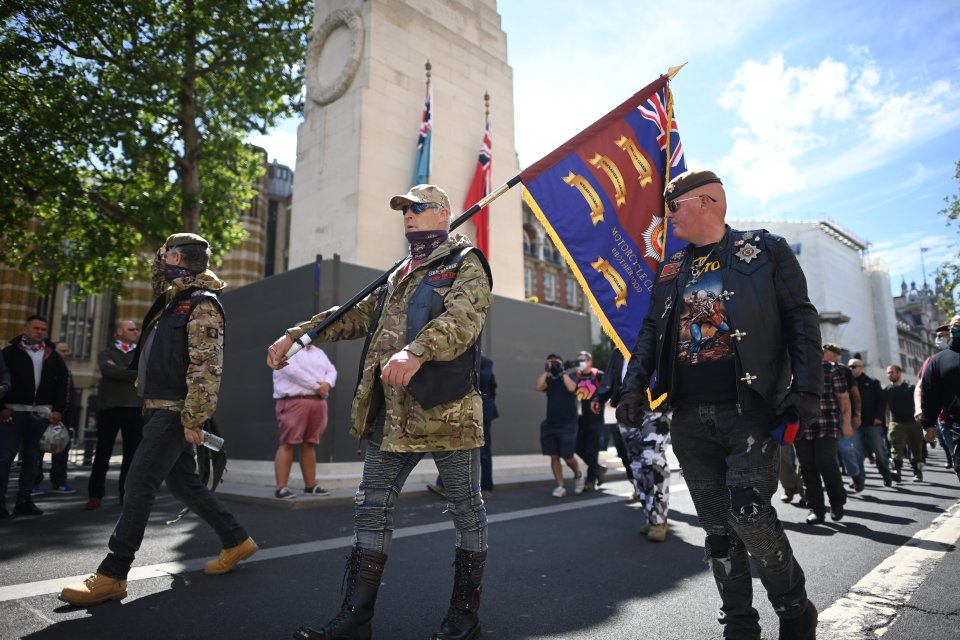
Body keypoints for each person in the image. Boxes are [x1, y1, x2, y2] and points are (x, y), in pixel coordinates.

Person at [267, 184, 492, 640]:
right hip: (391, 415)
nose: (408, 215)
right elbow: (351, 315)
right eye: (404, 210)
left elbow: (463, 321)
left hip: (445, 412)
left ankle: (463, 616)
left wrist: (415, 352)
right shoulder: (398, 272)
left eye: (418, 208)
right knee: (371, 508)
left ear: (443, 214)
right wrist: (297, 336)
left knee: (467, 509)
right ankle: (356, 619)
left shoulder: (464, 263)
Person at [615, 169, 822, 639]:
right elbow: (650, 332)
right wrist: (632, 387)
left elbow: (800, 319)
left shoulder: (764, 250)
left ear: (706, 202)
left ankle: (794, 609)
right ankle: (739, 623)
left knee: (748, 510)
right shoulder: (670, 269)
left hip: (749, 408)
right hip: (687, 413)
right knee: (717, 529)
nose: (668, 219)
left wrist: (806, 391)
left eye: (674, 207)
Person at [60, 233, 257, 606]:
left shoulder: (201, 304)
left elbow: (206, 366)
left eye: (165, 254)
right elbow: (159, 279)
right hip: (159, 406)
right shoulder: (174, 299)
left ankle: (114, 573)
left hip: (173, 410)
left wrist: (194, 417)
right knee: (184, 484)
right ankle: (236, 539)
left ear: (180, 259)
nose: (160, 259)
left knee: (138, 483)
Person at [0, 316, 69, 518]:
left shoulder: (52, 356)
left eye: (43, 329)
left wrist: (59, 410)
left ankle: (24, 500)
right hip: (12, 413)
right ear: (25, 329)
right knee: (4, 458)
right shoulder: (9, 353)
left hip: (41, 414)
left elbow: (64, 385)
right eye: (36, 328)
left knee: (32, 460)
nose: (40, 332)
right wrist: (1, 406)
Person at [87, 320, 144, 510]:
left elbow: (143, 373)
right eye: (131, 329)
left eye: (136, 329)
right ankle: (95, 495)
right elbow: (108, 371)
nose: (136, 332)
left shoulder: (141, 353)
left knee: (132, 455)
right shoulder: (106, 353)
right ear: (119, 332)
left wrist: (120, 371)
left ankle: (126, 495)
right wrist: (132, 373)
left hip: (135, 409)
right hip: (110, 408)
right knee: (103, 452)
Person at [272, 343, 337, 499]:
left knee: (310, 443)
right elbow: (292, 371)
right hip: (293, 401)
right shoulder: (286, 349)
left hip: (318, 402)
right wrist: (316, 386)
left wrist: (327, 384)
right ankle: (281, 488)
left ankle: (311, 486)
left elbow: (331, 370)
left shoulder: (319, 351)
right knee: (287, 443)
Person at [795, 349, 851, 524]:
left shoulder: (831, 369)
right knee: (807, 468)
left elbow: (843, 398)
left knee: (825, 462)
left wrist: (847, 422)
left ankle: (837, 501)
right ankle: (816, 510)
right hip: (801, 426)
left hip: (827, 423)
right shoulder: (791, 370)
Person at [33, 341, 78, 496]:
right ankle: (33, 483)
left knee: (61, 450)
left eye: (66, 351)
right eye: (62, 350)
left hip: (64, 416)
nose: (65, 354)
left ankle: (59, 482)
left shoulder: (67, 370)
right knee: (38, 449)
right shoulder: (46, 368)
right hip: (46, 413)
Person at [919, 314, 960, 483]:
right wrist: (927, 424)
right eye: (955, 325)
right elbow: (930, 393)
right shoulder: (938, 361)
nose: (956, 327)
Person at [536, 353, 583, 497]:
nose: (553, 365)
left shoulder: (570, 376)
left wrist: (562, 371)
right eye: (550, 363)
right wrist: (547, 370)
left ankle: (578, 474)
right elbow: (539, 387)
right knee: (554, 456)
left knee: (568, 457)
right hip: (551, 424)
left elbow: (571, 388)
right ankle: (560, 486)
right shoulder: (549, 379)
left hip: (568, 423)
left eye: (555, 363)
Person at [823, 343, 865, 491]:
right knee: (829, 453)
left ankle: (856, 476)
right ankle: (836, 483)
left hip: (841, 415)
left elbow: (855, 394)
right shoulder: (816, 367)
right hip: (824, 418)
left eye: (828, 351)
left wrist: (857, 415)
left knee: (845, 448)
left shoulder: (843, 370)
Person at [915, 323, 954, 469]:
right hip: (947, 421)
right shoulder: (933, 361)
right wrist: (921, 411)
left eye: (941, 336)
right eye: (936, 337)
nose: (938, 340)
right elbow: (921, 388)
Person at [849, 357, 892, 486]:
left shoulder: (872, 382)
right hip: (855, 424)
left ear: (862, 367)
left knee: (879, 451)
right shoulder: (846, 384)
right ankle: (859, 479)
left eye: (854, 366)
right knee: (856, 451)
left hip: (872, 423)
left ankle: (886, 475)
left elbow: (882, 401)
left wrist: (879, 417)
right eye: (850, 366)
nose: (851, 369)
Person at [884, 364, 924, 482]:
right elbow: (885, 408)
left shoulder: (910, 388)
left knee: (916, 450)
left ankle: (918, 472)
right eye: (888, 373)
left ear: (899, 373)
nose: (889, 375)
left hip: (913, 423)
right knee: (896, 449)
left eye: (891, 372)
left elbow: (919, 402)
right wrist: (887, 422)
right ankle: (897, 472)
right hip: (896, 423)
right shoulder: (887, 390)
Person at [573, 350, 605, 491]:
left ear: (590, 361)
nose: (581, 362)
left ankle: (590, 480)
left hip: (595, 419)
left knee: (592, 450)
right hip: (579, 419)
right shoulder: (576, 377)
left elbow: (606, 392)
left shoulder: (598, 375)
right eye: (578, 360)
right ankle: (598, 468)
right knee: (577, 447)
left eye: (583, 359)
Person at [478, 355, 499, 494]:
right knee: (456, 448)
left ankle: (486, 486)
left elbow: (484, 378)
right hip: (465, 411)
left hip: (483, 411)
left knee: (484, 451)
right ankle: (443, 485)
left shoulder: (485, 362)